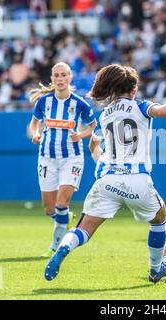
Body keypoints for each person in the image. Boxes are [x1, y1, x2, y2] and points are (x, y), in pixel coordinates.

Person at [43, 64, 166, 283]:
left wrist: (94, 149)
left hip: (107, 181)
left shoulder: (106, 114)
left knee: (84, 229)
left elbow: (101, 152)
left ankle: (63, 248)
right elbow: (162, 110)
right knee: (159, 218)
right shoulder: (140, 106)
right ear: (133, 89)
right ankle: (155, 269)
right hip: (137, 180)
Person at [28, 62, 96, 258]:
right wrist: (35, 135)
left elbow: (92, 126)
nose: (59, 79)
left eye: (63, 75)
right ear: (52, 79)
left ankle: (55, 246)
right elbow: (34, 124)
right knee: (49, 209)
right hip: (47, 158)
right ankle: (66, 218)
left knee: (61, 203)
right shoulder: (44, 102)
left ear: (70, 78)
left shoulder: (79, 103)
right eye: (56, 75)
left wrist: (81, 135)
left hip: (71, 159)